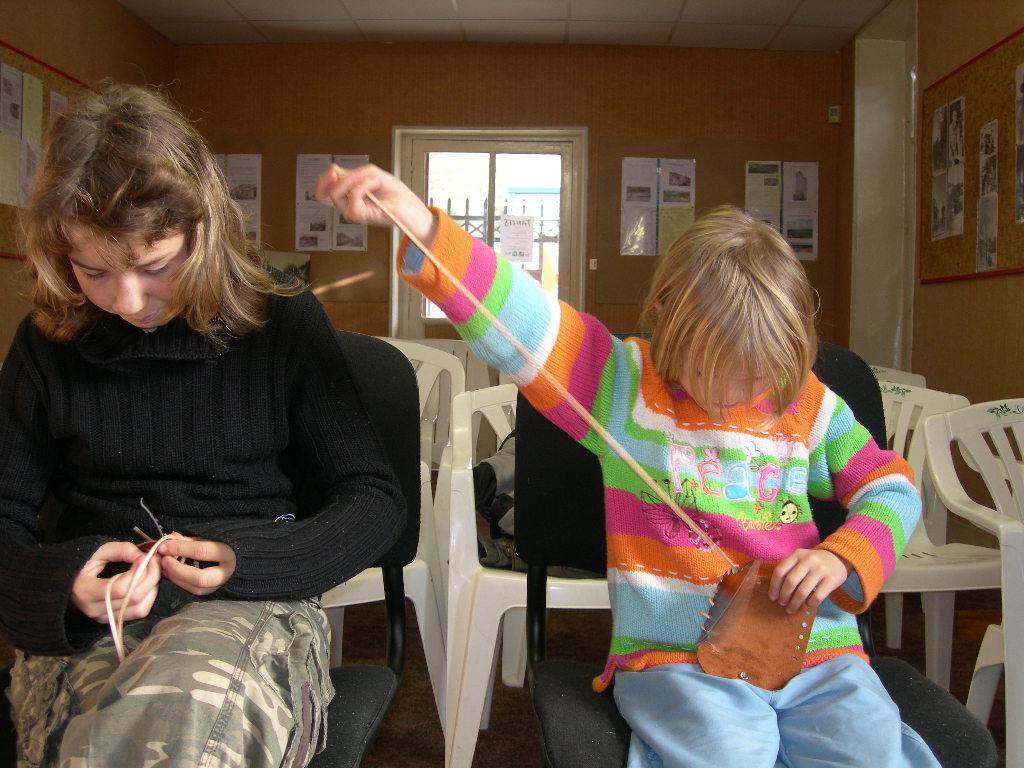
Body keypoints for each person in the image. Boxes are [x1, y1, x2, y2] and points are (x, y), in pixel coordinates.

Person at [317, 164, 940, 768]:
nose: (740, 390)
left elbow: (890, 486)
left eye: (761, 371)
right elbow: (521, 320)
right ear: (669, 322)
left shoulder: (806, 402)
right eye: (716, 366)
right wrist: (422, 225)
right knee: (726, 754)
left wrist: (844, 554)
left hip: (819, 652)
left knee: (870, 752)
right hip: (679, 658)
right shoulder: (624, 383)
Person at [0, 85, 406, 768]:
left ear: (203, 229)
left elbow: (374, 501)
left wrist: (250, 560)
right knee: (100, 744)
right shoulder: (46, 344)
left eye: (155, 266)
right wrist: (64, 581)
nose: (127, 302)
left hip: (253, 609)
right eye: (93, 270)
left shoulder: (282, 322)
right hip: (98, 624)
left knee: (184, 724)